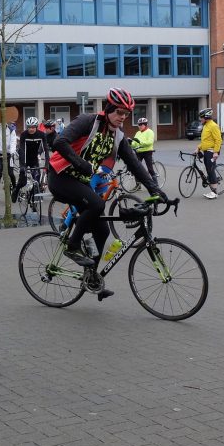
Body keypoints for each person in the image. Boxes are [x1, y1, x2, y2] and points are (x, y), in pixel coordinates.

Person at [48, 88, 168, 299]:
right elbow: (59, 142)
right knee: (97, 204)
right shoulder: (88, 121)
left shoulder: (118, 136)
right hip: (60, 177)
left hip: (80, 182)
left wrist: (156, 190)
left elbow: (134, 164)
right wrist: (80, 163)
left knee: (103, 232)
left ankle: (91, 278)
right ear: (109, 109)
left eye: (126, 114)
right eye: (119, 112)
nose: (123, 117)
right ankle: (72, 246)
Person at [12, 117, 49, 202]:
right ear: (27, 127)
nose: (31, 129)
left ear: (36, 127)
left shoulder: (41, 135)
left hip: (34, 160)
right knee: (23, 182)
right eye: (29, 127)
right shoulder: (24, 135)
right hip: (24, 159)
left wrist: (47, 164)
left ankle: (33, 197)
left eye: (33, 127)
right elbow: (22, 150)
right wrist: (22, 165)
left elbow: (45, 150)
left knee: (37, 181)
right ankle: (16, 190)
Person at [196, 108, 222, 199]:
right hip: (206, 151)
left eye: (201, 117)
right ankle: (213, 187)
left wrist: (216, 152)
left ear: (206, 117)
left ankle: (214, 193)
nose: (200, 119)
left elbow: (218, 140)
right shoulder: (206, 125)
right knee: (208, 170)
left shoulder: (213, 126)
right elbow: (205, 140)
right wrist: (198, 148)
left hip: (211, 152)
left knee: (210, 171)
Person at [0, 122, 17, 201]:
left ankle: (15, 190)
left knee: (11, 173)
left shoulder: (11, 130)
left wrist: (12, 152)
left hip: (9, 154)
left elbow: (13, 142)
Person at [130, 117, 157, 183]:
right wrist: (130, 143)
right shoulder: (138, 133)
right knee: (136, 168)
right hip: (138, 152)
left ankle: (156, 184)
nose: (140, 126)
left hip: (147, 152)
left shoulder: (150, 132)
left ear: (145, 125)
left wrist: (139, 142)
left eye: (141, 124)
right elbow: (134, 143)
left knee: (150, 169)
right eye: (139, 125)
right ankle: (138, 185)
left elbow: (150, 142)